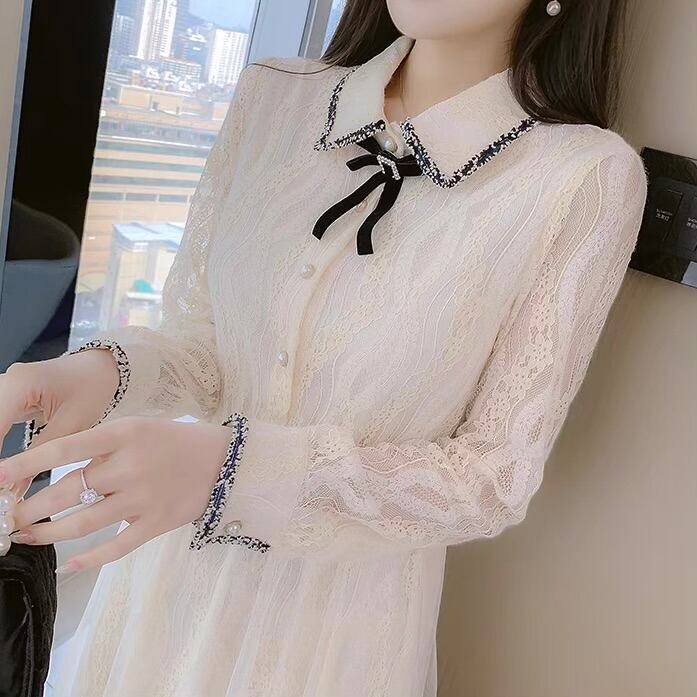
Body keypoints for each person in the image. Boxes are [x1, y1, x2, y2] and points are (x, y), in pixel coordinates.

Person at [0, 0, 647, 695]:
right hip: (163, 587)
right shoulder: (273, 97)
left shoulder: (581, 177)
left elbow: (490, 480)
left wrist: (233, 471)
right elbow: (203, 343)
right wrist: (99, 374)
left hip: (332, 634)